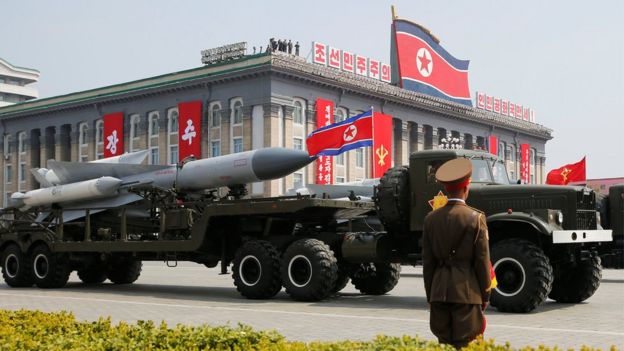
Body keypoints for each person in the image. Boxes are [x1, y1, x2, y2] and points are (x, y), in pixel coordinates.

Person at [422, 158, 492, 349]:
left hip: (438, 293)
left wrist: (431, 295)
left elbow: (428, 264)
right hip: (467, 294)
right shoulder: (476, 218)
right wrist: (485, 295)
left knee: (444, 344)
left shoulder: (431, 219)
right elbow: (482, 261)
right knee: (467, 345)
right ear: (466, 188)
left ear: (446, 189)